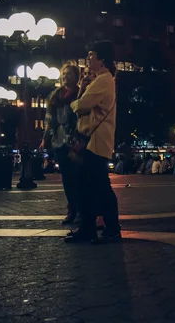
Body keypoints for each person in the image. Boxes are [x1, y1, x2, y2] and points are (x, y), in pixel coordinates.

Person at [65, 41, 120, 244]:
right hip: (93, 142)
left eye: (91, 55)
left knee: (100, 187)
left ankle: (112, 229)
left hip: (97, 142)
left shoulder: (104, 80)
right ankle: (88, 228)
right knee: (85, 186)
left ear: (101, 59)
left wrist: (75, 102)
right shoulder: (99, 80)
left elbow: (81, 106)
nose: (88, 60)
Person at [40, 61, 80, 225]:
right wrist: (45, 138)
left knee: (78, 177)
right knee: (67, 178)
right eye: (64, 74)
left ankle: (82, 210)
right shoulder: (55, 95)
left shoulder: (80, 93)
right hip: (59, 141)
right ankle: (72, 209)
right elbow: (49, 119)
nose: (65, 77)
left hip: (74, 141)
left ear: (76, 77)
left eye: (69, 74)